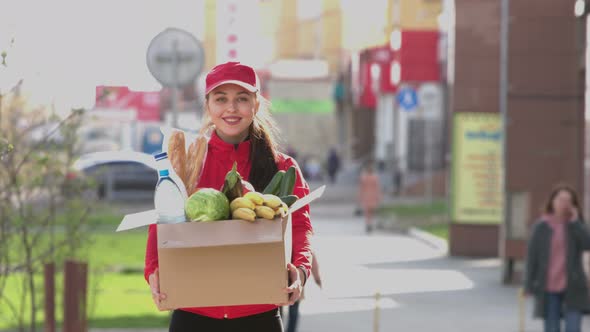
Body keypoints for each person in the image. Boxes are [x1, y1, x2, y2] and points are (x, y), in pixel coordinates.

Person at [144, 62, 313, 331]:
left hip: (259, 315)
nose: (231, 109)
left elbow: (301, 227)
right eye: (221, 99)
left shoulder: (283, 168)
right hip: (193, 314)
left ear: (256, 105)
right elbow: (162, 223)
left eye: (242, 99)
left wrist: (301, 271)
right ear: (208, 105)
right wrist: (154, 271)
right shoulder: (187, 164)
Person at [524, 184, 590, 332]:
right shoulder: (541, 227)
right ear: (552, 201)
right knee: (552, 328)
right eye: (560, 199)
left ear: (573, 205)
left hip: (573, 286)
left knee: (573, 328)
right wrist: (528, 284)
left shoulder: (576, 226)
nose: (564, 204)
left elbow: (587, 244)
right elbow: (531, 257)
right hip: (548, 287)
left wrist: (575, 222)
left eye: (568, 200)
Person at [285, 249, 322, 332]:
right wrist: (317, 279)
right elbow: (312, 260)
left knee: (278, 312)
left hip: (283, 285)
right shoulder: (302, 243)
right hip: (296, 285)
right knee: (293, 313)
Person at [358, 162, 382, 234]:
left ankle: (368, 223)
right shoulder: (374, 177)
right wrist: (378, 196)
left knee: (367, 211)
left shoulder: (364, 177)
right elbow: (377, 187)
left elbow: (361, 188)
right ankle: (369, 223)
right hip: (372, 196)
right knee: (371, 211)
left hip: (367, 196)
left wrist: (360, 196)